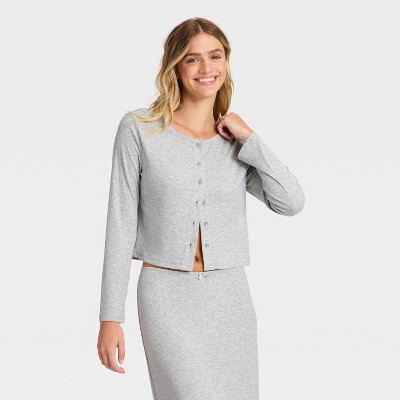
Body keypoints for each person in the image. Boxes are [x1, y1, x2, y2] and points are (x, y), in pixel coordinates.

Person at [97, 17, 305, 400]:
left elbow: (291, 201)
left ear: (226, 62)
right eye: (193, 59)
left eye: (215, 56)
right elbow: (120, 223)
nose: (206, 67)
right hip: (165, 297)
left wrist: (250, 138)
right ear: (175, 66)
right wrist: (110, 317)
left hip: (230, 299)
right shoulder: (139, 130)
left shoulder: (235, 143)